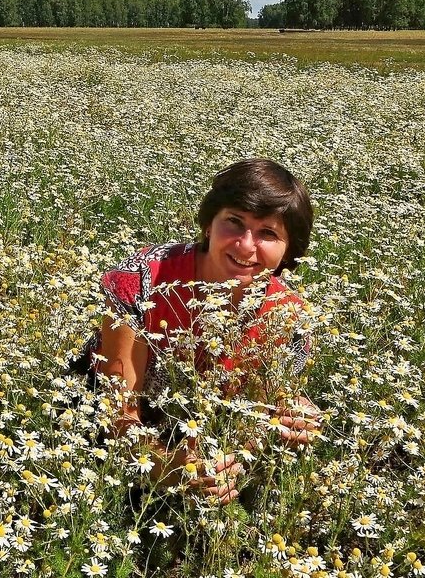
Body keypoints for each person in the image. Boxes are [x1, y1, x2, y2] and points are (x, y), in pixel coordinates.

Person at [91, 158, 320, 504]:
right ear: (208, 224)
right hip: (106, 441)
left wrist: (291, 416)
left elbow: (264, 411)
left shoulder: (291, 321)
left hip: (205, 440)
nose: (246, 245)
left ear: (289, 252)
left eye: (267, 234)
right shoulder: (143, 281)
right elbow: (117, 415)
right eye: (234, 222)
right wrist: (169, 468)